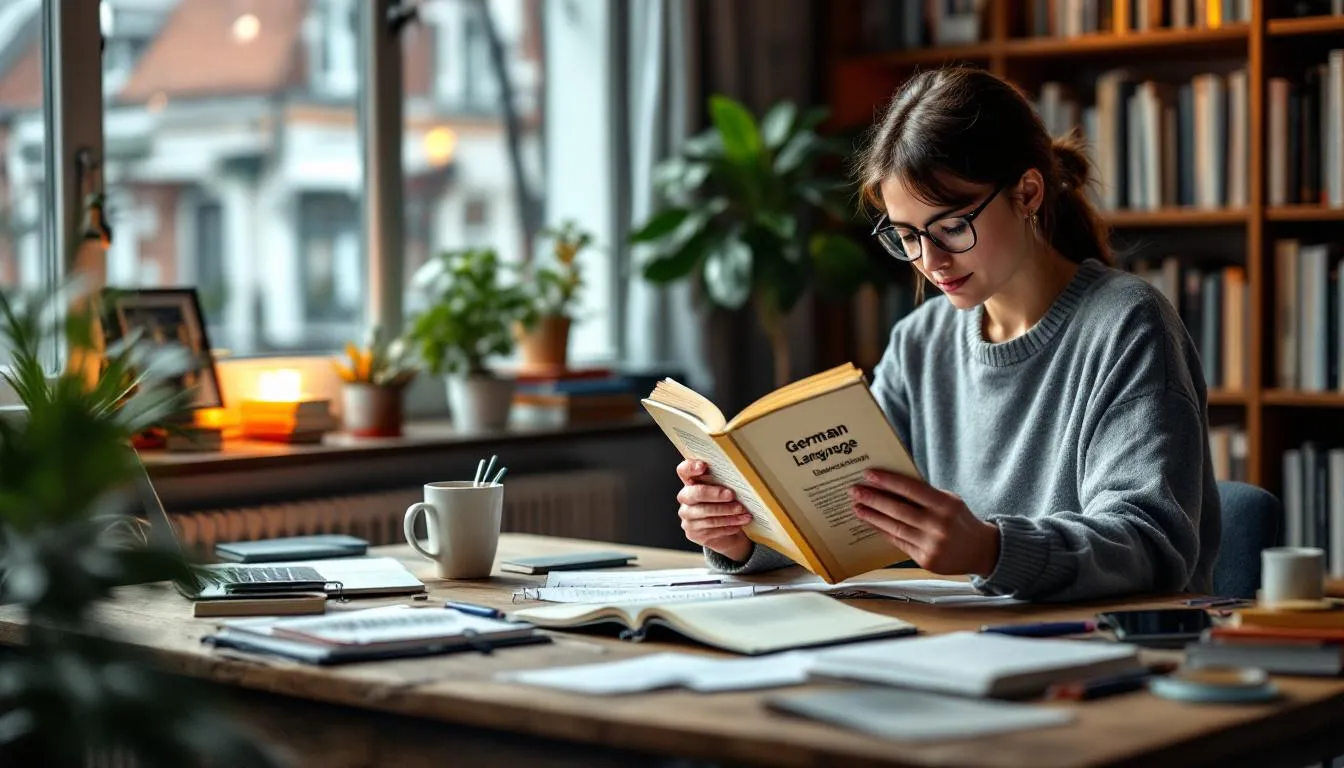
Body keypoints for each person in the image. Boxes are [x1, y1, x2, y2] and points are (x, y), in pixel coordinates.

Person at [674, 66, 1220, 602]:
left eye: (952, 227)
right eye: (907, 235)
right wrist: (741, 536)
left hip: (1103, 653)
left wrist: (992, 549)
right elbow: (847, 525)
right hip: (958, 643)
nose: (929, 261)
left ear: (1028, 193)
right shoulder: (920, 341)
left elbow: (1152, 544)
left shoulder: (1127, 323)